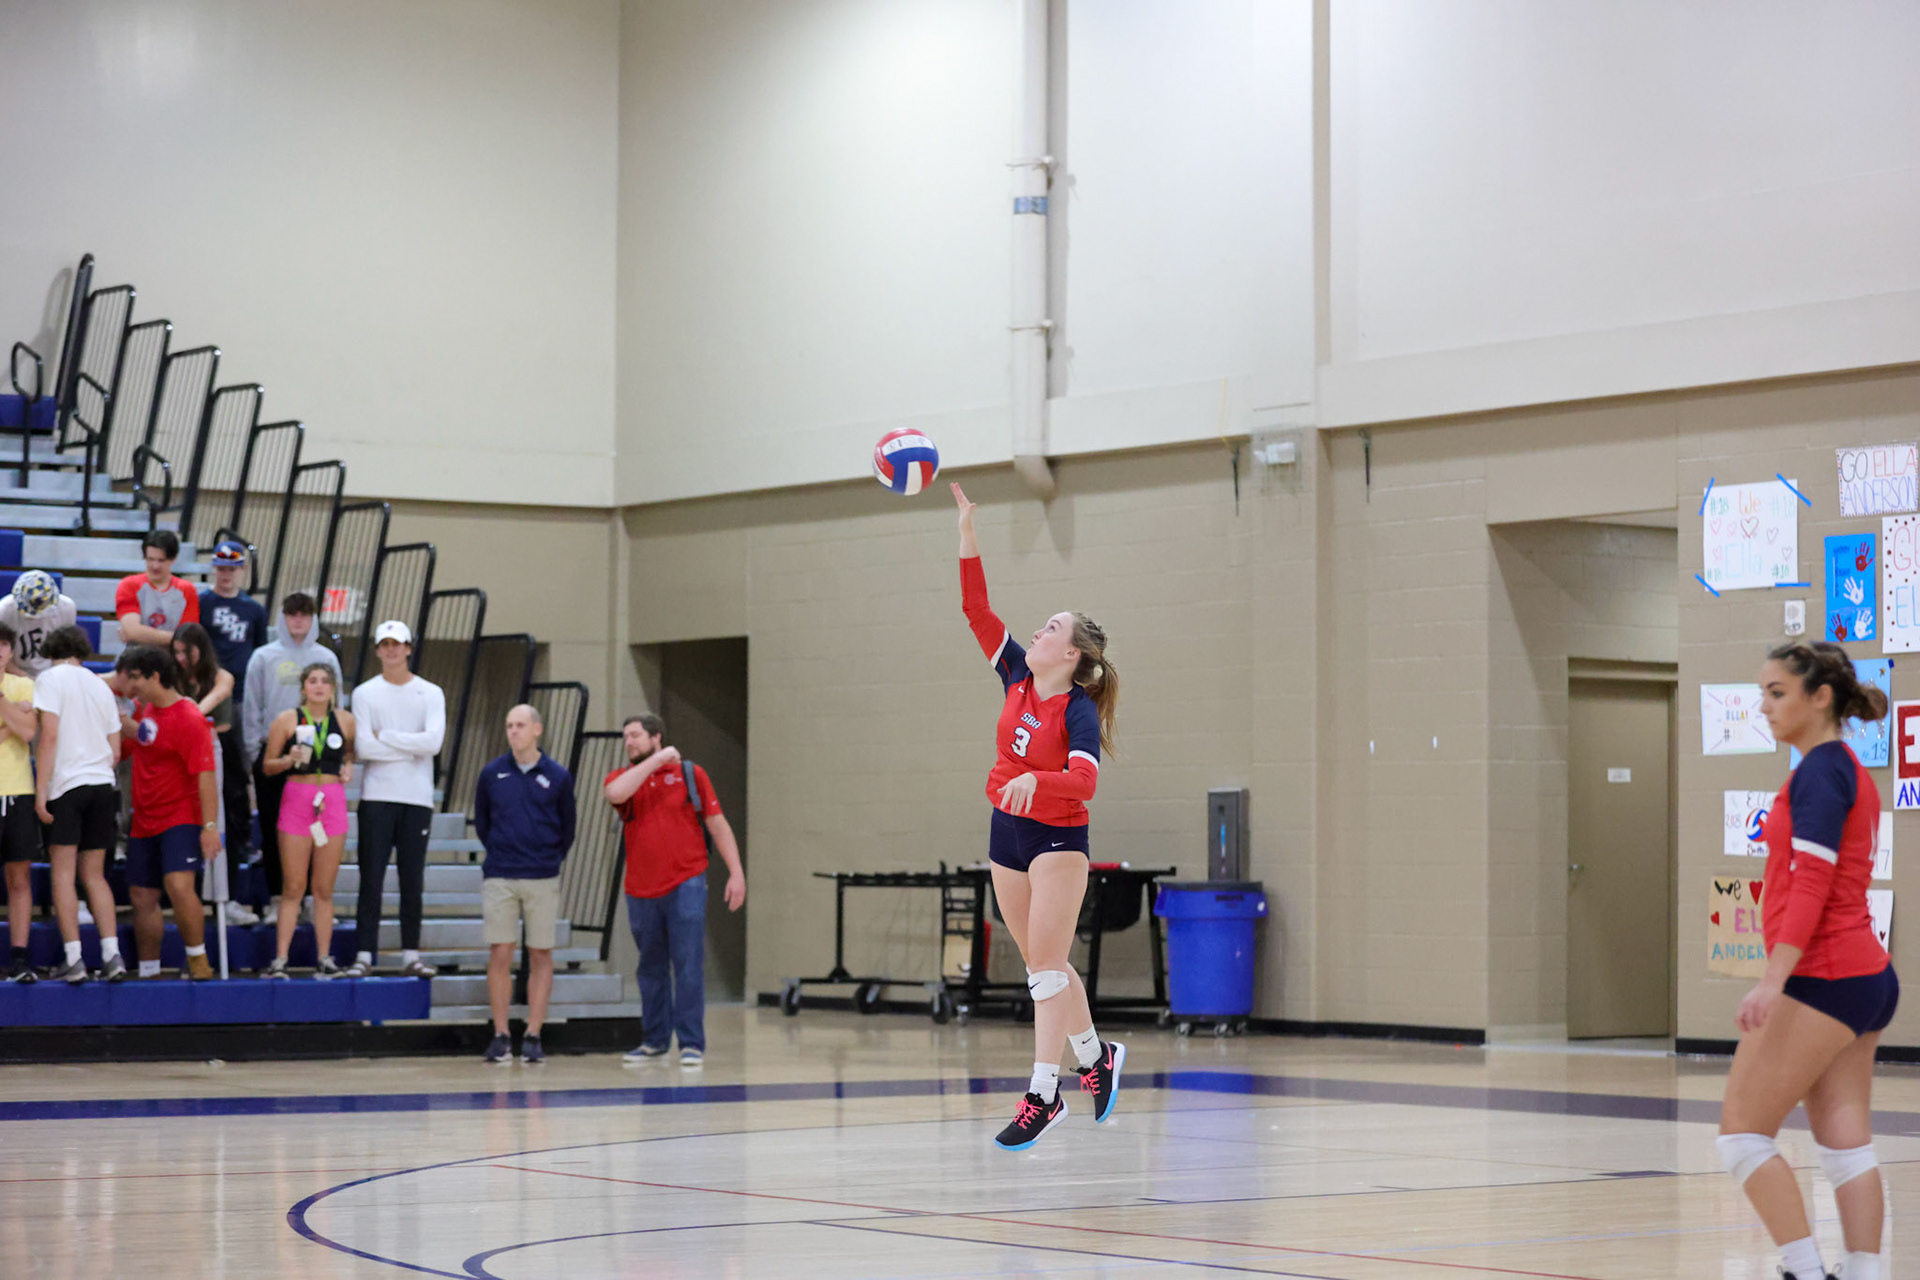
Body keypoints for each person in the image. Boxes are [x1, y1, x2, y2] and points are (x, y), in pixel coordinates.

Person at [949, 483, 1123, 1151]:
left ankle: (1043, 1094)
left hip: (1057, 836)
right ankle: (1096, 1056)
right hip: (1006, 831)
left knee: (1048, 970)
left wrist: (1034, 778)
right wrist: (968, 533)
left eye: (1053, 628)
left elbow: (1084, 782)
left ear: (1073, 655)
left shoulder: (1075, 708)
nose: (1041, 631)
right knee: (1041, 966)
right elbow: (975, 608)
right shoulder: (1017, 674)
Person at [1720, 642, 1898, 1280]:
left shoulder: (1822, 772)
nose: (1763, 706)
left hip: (1824, 975)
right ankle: (1866, 1272)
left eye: (1776, 693)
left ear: (1818, 697)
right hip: (1866, 978)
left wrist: (1772, 980)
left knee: (1742, 1135)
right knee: (1846, 1145)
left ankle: (1801, 1268)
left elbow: (1812, 886)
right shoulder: (1844, 767)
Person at [608, 712, 744, 1068]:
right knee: (650, 966)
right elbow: (615, 792)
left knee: (687, 963)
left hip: (687, 881)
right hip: (640, 888)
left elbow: (716, 823)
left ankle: (691, 1043)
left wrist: (736, 873)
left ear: (656, 736)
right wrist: (655, 760)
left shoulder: (690, 774)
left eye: (636, 735)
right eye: (626, 737)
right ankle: (654, 1040)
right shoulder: (625, 779)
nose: (629, 742)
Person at [473, 704, 576, 1065]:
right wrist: (503, 852)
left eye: (520, 725)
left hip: (542, 875)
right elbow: (483, 823)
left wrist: (545, 857)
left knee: (540, 953)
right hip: (501, 873)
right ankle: (501, 1035)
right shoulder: (491, 774)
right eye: (509, 725)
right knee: (500, 951)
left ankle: (533, 1033)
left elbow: (568, 829)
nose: (513, 731)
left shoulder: (558, 776)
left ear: (537, 730)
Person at [345, 620, 444, 978]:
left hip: (416, 799)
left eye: (396, 644)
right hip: (377, 797)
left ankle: (410, 954)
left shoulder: (431, 693)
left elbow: (433, 743)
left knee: (411, 878)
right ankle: (364, 954)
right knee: (371, 877)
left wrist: (385, 735)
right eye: (384, 644)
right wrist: (409, 745)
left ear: (408, 648)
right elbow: (365, 748)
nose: (391, 650)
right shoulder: (365, 693)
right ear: (377, 650)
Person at [114, 645, 217, 981]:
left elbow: (206, 776)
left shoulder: (189, 718)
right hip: (143, 816)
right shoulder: (145, 711)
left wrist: (210, 826)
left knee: (177, 884)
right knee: (142, 894)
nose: (131, 687)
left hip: (181, 816)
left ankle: (198, 958)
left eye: (135, 679)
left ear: (155, 677)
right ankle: (149, 969)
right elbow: (132, 745)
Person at [241, 593, 343, 924]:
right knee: (274, 829)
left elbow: (337, 706)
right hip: (274, 752)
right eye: (291, 614)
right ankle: (277, 897)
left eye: (304, 614)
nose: (297, 620)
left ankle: (313, 897)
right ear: (283, 617)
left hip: (317, 757)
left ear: (313, 618)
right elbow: (252, 706)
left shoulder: (326, 657)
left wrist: (335, 753)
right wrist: (256, 753)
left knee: (316, 827)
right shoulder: (263, 657)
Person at [33, 625, 125, 983]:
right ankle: (111, 954)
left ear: (52, 651)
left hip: (68, 785)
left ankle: (74, 958)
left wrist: (42, 791)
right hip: (102, 784)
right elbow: (115, 751)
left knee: (63, 874)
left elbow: (50, 736)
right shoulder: (100, 686)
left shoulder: (50, 679)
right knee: (95, 875)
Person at [259, 664, 353, 980]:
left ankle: (324, 957)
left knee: (323, 888)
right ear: (303, 687)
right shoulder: (287, 720)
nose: (319, 686)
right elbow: (267, 766)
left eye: (325, 681)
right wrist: (288, 760)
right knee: (293, 887)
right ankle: (280, 958)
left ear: (333, 688)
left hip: (332, 803)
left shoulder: (345, 721)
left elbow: (350, 754)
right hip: (298, 800)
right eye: (312, 681)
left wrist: (348, 767)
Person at [197, 541, 268, 916]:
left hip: (241, 700)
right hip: (209, 698)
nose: (226, 574)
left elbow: (260, 657)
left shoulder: (254, 610)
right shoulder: (202, 604)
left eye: (233, 568)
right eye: (221, 568)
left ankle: (241, 841)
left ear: (242, 570)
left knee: (239, 777)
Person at [173, 620, 248, 925]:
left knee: (227, 824)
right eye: (175, 651)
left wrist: (185, 713)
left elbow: (209, 703)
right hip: (183, 753)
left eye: (185, 652)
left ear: (200, 650)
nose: (179, 658)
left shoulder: (222, 676)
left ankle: (226, 898)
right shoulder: (171, 678)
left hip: (221, 751)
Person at [0, 625, 42, 982]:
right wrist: (13, 717)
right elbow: (19, 726)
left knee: (19, 877)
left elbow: (28, 733)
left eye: (3, 645)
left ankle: (20, 957)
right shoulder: (21, 696)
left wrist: (3, 704)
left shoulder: (25, 686)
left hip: (19, 790)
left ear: (11, 651)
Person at [115, 529, 199, 648]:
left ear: (173, 559)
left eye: (161, 560)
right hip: (136, 659)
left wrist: (141, 634)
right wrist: (174, 637)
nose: (155, 566)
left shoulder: (186, 590)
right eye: (150, 559)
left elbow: (187, 638)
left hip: (173, 661)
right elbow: (132, 631)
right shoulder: (129, 585)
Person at [0, 570, 78, 677]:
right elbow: (2, 656)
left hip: (53, 673)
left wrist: (53, 678)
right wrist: (25, 679)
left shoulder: (67, 608)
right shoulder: (5, 610)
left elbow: (68, 651)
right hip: (16, 673)